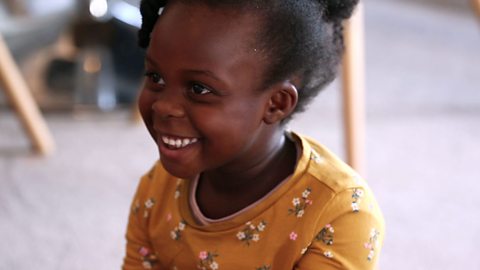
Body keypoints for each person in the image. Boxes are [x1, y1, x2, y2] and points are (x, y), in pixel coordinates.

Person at [123, 0, 385, 269]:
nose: (163, 106)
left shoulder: (338, 213)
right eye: (156, 77)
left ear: (276, 103)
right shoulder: (160, 186)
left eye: (199, 89)